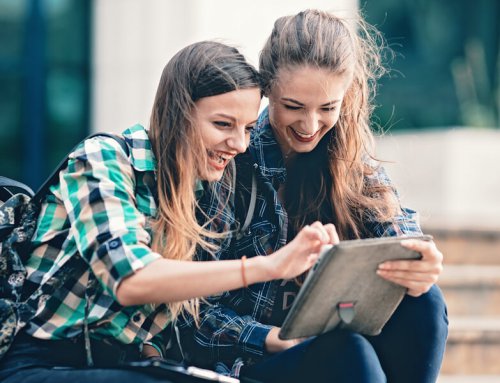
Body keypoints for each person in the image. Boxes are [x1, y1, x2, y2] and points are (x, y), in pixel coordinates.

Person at [0, 41, 338, 383]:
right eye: (223, 124)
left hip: (122, 366)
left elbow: (152, 331)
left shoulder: (201, 194)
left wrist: (156, 356)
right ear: (178, 112)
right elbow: (130, 281)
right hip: (38, 363)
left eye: (249, 128)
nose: (239, 144)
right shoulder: (104, 159)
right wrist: (269, 266)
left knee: (342, 352)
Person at [176, 10, 448, 383]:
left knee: (425, 301)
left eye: (327, 108)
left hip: (334, 343)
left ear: (345, 96)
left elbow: (397, 231)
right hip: (252, 362)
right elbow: (191, 312)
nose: (309, 126)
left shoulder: (350, 156)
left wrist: (418, 260)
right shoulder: (229, 161)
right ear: (266, 89)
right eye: (293, 107)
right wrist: (273, 339)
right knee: (346, 352)